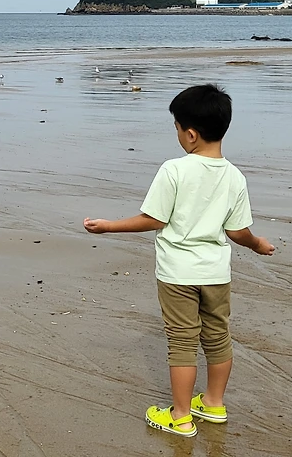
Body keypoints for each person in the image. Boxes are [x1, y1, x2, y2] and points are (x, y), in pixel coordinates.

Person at [83, 84, 275, 438]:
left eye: (176, 128)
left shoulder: (174, 170)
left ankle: (181, 416)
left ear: (190, 134)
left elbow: (153, 219)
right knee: (218, 336)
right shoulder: (235, 176)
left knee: (182, 342)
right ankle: (213, 403)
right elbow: (237, 231)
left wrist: (109, 226)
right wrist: (257, 244)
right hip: (216, 274)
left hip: (178, 275)